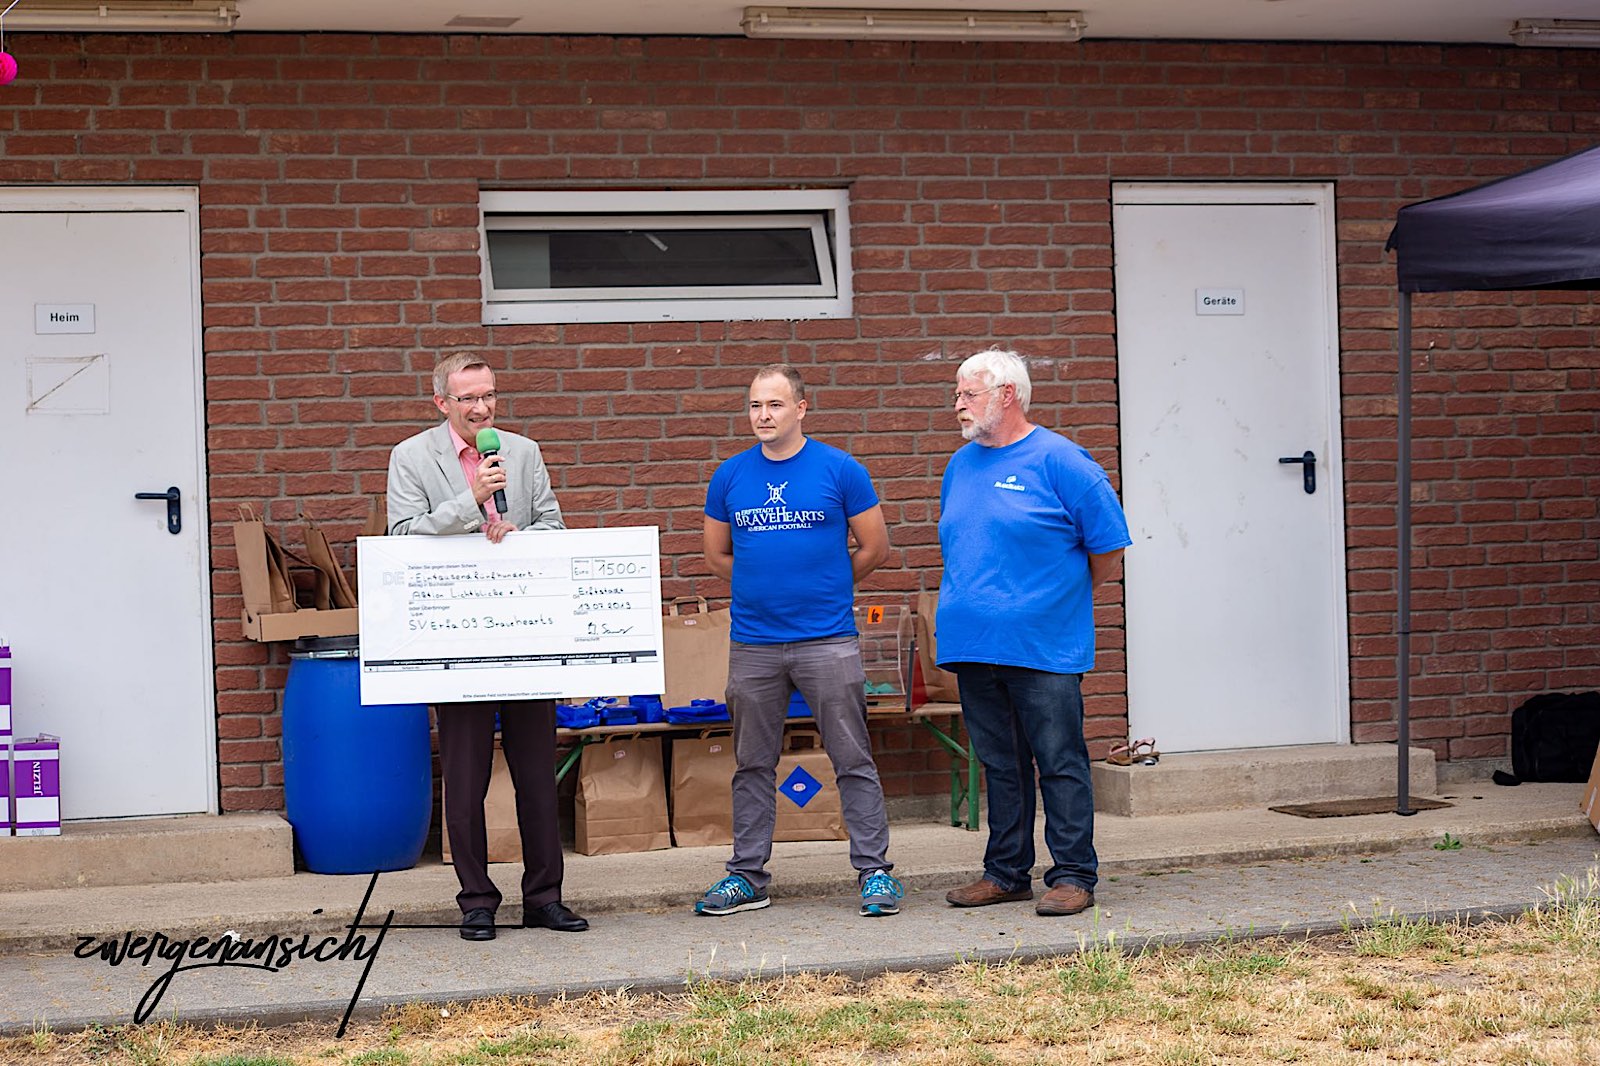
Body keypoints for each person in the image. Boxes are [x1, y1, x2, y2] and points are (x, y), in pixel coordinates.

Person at [386, 352, 588, 941]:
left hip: (522, 631)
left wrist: (523, 534)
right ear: (441, 403)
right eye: (468, 398)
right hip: (457, 636)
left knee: (535, 772)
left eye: (489, 396)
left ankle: (544, 896)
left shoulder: (522, 452)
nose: (481, 408)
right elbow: (400, 535)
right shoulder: (411, 457)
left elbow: (555, 525)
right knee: (467, 775)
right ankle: (476, 900)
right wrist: (469, 500)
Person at [695, 364, 904, 918]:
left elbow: (875, 547)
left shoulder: (840, 469)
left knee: (851, 755)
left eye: (775, 405)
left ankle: (875, 873)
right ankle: (746, 876)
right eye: (755, 406)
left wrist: (825, 588)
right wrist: (766, 590)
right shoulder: (731, 475)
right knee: (752, 762)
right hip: (754, 643)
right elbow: (717, 556)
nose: (763, 416)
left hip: (827, 640)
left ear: (801, 408)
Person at [935, 348, 1131, 917]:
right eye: (956, 394)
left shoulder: (1063, 461)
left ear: (1007, 395)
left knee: (1059, 760)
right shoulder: (960, 465)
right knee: (1001, 765)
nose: (957, 405)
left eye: (968, 394)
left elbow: (1107, 551)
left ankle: (1072, 874)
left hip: (1045, 645)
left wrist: (1052, 604)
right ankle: (1006, 872)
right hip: (973, 645)